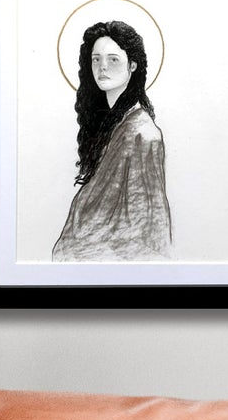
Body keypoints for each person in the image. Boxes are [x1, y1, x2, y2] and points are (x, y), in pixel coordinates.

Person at [51, 20, 173, 261]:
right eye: (96, 59)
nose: (102, 67)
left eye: (113, 59)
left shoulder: (143, 134)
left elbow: (148, 227)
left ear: (133, 65)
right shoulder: (109, 125)